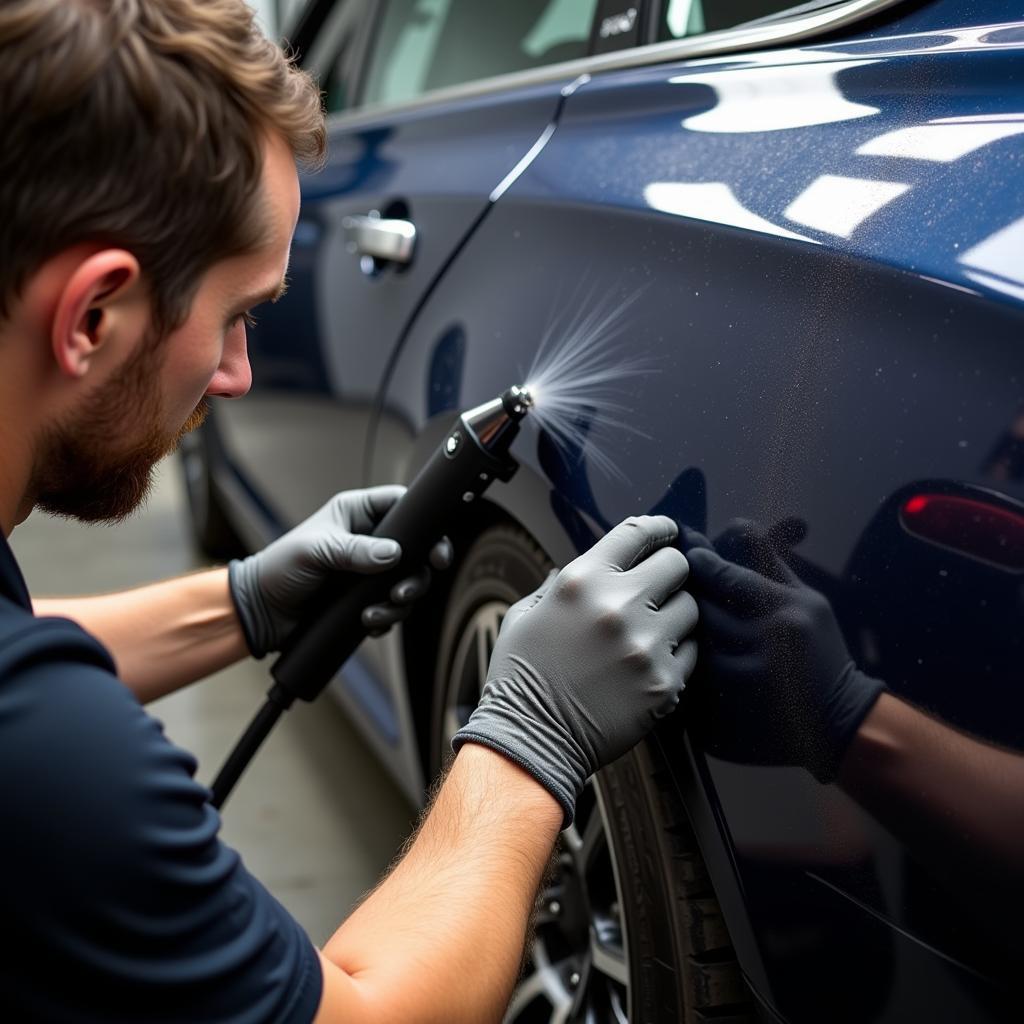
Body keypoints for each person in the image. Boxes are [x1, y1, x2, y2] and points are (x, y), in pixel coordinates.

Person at [0, 2, 700, 1021]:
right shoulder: (55, 763)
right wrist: (525, 738)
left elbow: (28, 658)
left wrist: (243, 601)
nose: (236, 375)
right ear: (94, 313)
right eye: (239, 315)